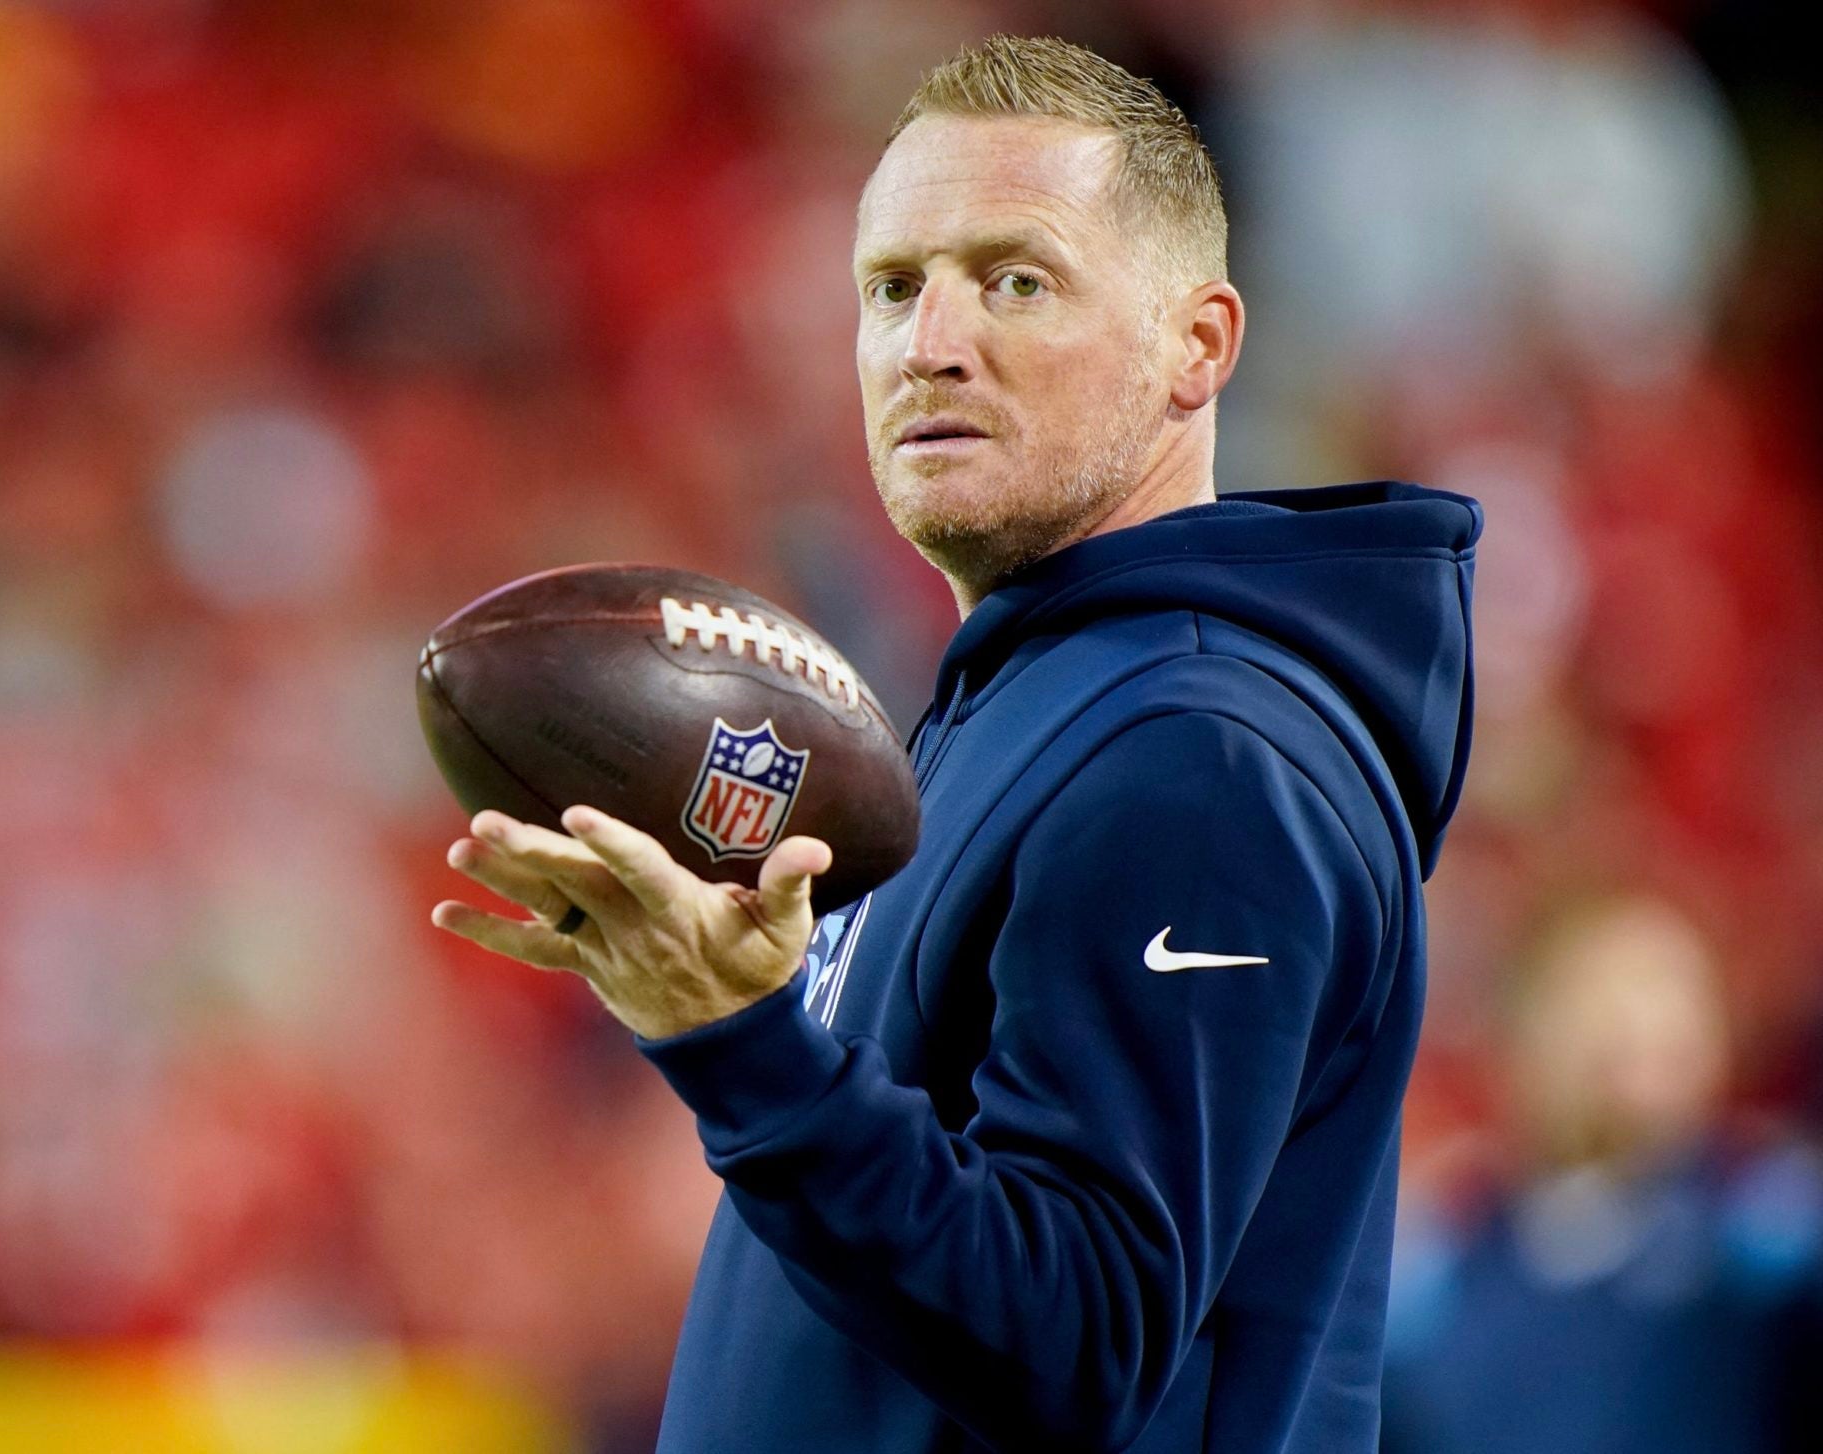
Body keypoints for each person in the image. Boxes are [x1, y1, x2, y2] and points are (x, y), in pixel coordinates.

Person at [431, 33, 1478, 1454]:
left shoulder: (1202, 757)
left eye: (1018, 280)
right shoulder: (1026, 700)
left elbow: (1081, 1336)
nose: (933, 342)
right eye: (893, 287)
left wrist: (741, 1048)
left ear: (1201, 344)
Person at [1380, 900, 1823, 1453]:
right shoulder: (1433, 1270)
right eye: (1604, 1002)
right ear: (1524, 1036)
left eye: (1673, 995)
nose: (1642, 1023)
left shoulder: (1763, 1229)